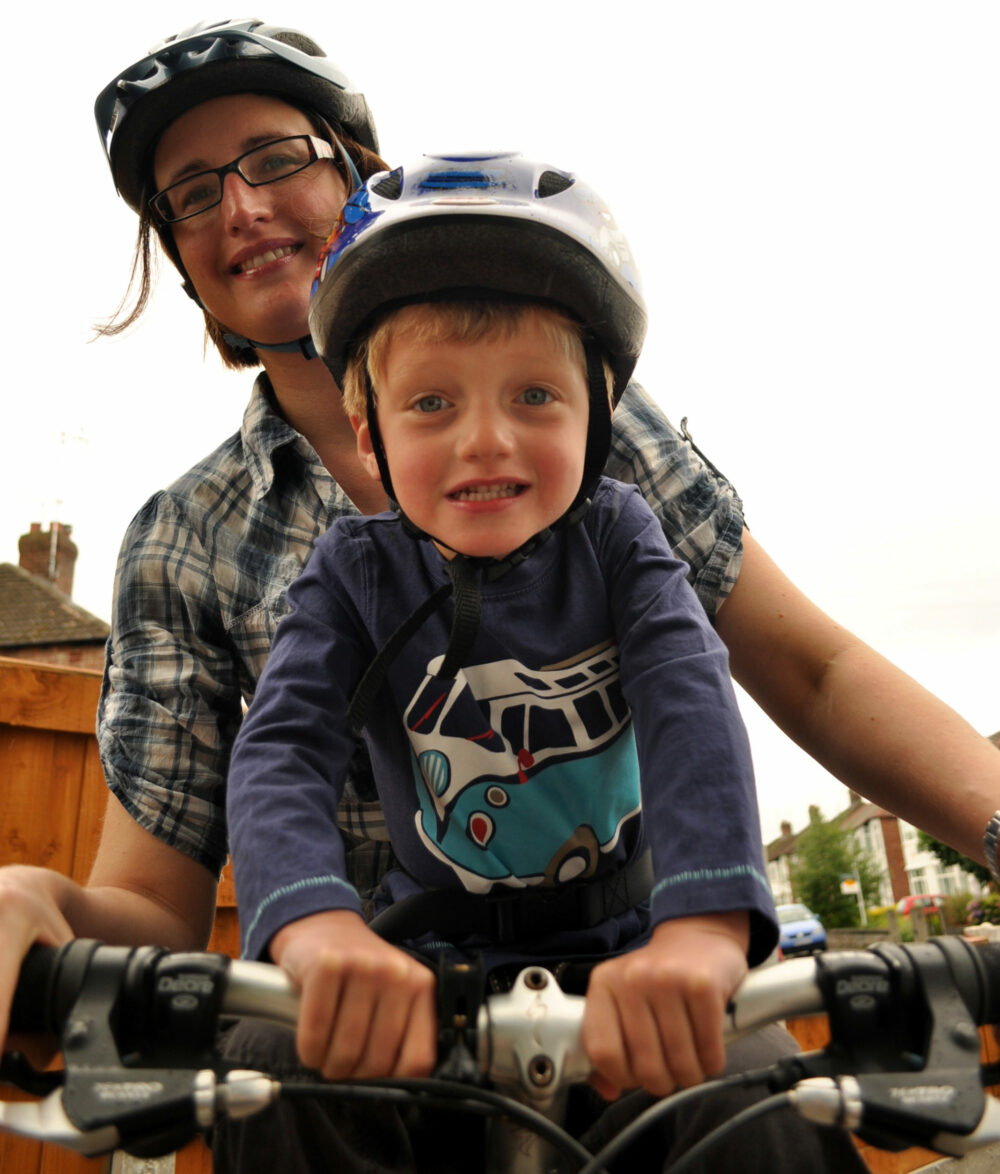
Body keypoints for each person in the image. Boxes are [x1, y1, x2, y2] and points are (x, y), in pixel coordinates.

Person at [0, 11, 995, 1166]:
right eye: (191, 193)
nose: (242, 207)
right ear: (180, 258)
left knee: (756, 1117)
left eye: (275, 157)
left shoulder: (596, 445)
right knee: (281, 1110)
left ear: (355, 168)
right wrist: (39, 898)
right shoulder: (182, 540)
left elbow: (792, 672)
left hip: (648, 994)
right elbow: (160, 898)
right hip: (373, 1024)